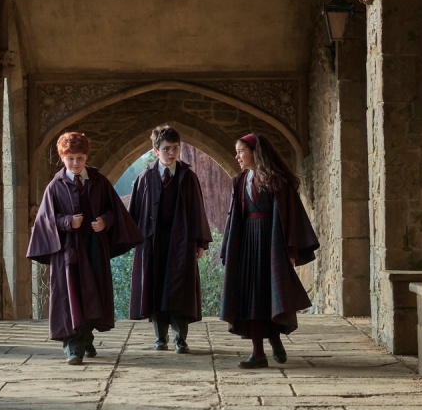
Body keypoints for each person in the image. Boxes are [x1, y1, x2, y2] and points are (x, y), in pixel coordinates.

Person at [28, 131, 142, 365]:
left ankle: (86, 337)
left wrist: (105, 222)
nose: (76, 163)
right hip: (68, 252)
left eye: (80, 158)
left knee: (92, 295)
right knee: (69, 296)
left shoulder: (99, 181)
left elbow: (114, 210)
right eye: (70, 159)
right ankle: (72, 346)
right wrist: (68, 222)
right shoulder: (54, 186)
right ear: (62, 158)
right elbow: (47, 219)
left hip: (93, 249)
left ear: (86, 156)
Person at [220, 132, 319, 369]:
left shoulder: (277, 182)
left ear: (256, 152)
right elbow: (234, 218)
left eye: (241, 151)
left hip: (272, 244)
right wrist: (230, 250)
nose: (237, 156)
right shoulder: (240, 182)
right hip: (247, 246)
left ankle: (274, 340)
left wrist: (291, 250)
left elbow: (291, 217)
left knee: (269, 295)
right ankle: (258, 353)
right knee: (251, 297)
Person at [128, 125, 213, 353]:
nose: (171, 153)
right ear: (156, 151)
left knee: (179, 290)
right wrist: (136, 242)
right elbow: (135, 213)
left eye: (175, 148)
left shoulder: (188, 177)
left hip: (181, 243)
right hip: (152, 243)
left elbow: (198, 211)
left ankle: (180, 339)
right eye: (166, 149)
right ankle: (160, 338)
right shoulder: (145, 178)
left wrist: (199, 243)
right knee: (156, 289)